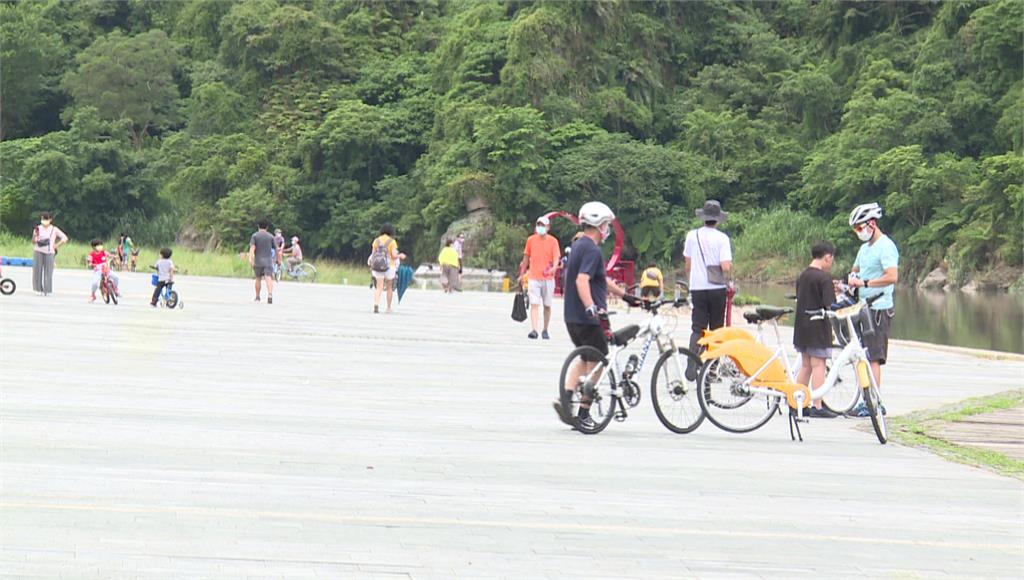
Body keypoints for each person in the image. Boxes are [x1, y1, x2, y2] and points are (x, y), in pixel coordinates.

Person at [553, 202, 641, 430]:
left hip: (571, 317)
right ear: (598, 225)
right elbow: (582, 280)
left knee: (585, 360)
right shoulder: (592, 249)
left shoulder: (579, 245)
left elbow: (602, 280)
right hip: (588, 318)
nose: (607, 229)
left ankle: (566, 398)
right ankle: (583, 412)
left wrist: (625, 296)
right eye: (605, 225)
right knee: (600, 362)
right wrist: (591, 307)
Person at [847, 202, 899, 416]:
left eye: (861, 228)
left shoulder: (886, 246)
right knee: (861, 356)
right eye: (856, 229)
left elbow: (892, 276)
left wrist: (866, 283)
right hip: (862, 306)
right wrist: (850, 281)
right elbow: (856, 270)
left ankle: (875, 402)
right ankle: (864, 400)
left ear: (872, 223)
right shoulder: (864, 248)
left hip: (879, 308)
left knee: (874, 357)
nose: (859, 232)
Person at [683, 200, 733, 380]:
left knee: (697, 328)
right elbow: (725, 266)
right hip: (716, 288)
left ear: (703, 218)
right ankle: (712, 370)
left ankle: (691, 365)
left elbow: (688, 265)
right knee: (716, 329)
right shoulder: (722, 239)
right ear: (718, 219)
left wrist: (692, 282)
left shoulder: (691, 236)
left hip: (697, 287)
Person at [794, 241, 838, 418]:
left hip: (802, 327)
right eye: (831, 260)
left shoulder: (803, 275)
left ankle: (798, 402)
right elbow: (830, 305)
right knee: (819, 364)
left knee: (805, 365)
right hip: (818, 327)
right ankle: (817, 405)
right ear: (827, 257)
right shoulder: (824, 278)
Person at [520, 216, 561, 340]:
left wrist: (554, 267)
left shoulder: (553, 241)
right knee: (534, 304)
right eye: (539, 225)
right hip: (534, 277)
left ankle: (545, 329)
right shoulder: (531, 240)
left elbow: (556, 257)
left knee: (547, 305)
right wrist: (522, 274)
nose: (540, 227)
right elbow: (526, 258)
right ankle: (534, 330)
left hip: (548, 277)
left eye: (543, 225)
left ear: (548, 227)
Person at [369, 224, 405, 313]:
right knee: (389, 287)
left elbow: (373, 254)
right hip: (389, 266)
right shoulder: (392, 241)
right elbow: (393, 255)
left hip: (378, 266)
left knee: (379, 287)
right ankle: (388, 307)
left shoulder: (376, 240)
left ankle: (376, 304)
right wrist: (400, 255)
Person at [31, 212, 68, 296]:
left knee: (48, 271)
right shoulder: (37, 228)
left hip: (49, 252)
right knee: (37, 270)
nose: (44, 221)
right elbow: (33, 241)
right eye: (43, 219)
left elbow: (64, 238)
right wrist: (35, 238)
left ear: (50, 220)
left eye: (46, 219)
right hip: (38, 250)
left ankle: (47, 290)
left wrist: (56, 245)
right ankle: (38, 289)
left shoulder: (54, 229)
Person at [249, 221, 276, 304]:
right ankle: (270, 295)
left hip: (258, 261)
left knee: (258, 278)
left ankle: (257, 296)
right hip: (268, 261)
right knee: (268, 278)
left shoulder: (255, 236)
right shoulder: (271, 236)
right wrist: (278, 260)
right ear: (267, 227)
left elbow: (252, 248)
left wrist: (251, 259)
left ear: (258, 226)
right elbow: (276, 249)